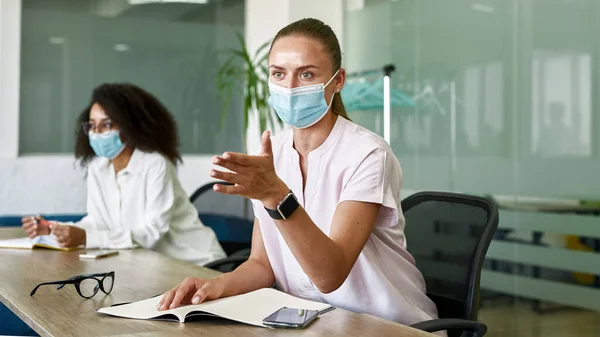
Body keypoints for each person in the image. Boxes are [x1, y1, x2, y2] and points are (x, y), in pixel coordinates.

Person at [158, 18, 440, 328]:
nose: (289, 87)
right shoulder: (272, 154)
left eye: (306, 74)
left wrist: (276, 196)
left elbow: (329, 276)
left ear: (338, 80)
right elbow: (262, 264)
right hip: (314, 322)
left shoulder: (368, 155)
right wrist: (216, 286)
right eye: (279, 74)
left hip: (388, 326)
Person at [21, 83, 226, 266]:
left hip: (197, 264)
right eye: (92, 125)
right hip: (149, 266)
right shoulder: (98, 167)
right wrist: (54, 230)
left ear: (129, 126)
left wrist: (85, 237)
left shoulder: (155, 164)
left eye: (107, 124)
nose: (97, 132)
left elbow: (150, 235)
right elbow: (97, 222)